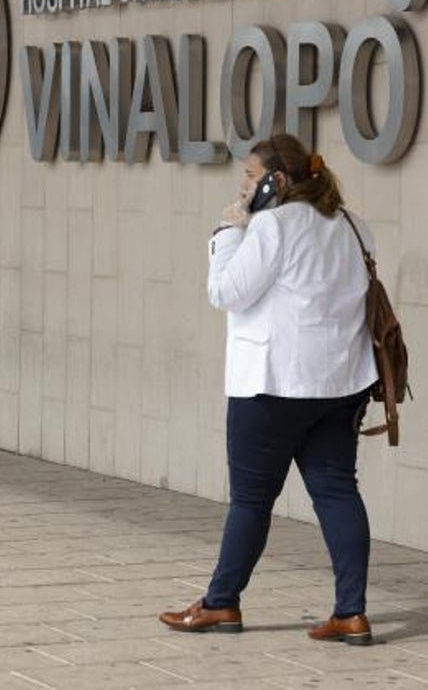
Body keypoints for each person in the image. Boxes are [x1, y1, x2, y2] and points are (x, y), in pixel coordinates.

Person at [158, 133, 378, 645]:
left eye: (250, 178)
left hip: (272, 386)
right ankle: (352, 612)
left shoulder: (273, 226)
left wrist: (230, 228)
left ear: (276, 181)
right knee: (338, 491)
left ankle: (221, 604)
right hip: (339, 385)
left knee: (252, 500)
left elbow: (226, 292)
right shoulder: (353, 226)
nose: (243, 186)